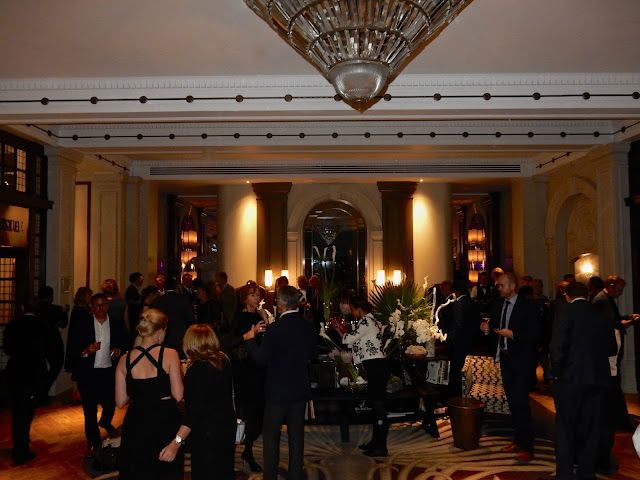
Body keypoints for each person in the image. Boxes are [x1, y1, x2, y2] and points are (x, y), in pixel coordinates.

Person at [246, 285, 317, 480]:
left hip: (277, 391)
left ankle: (270, 476)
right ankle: (295, 475)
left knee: (271, 438)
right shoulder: (308, 326)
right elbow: (312, 354)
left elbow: (262, 359)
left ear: (282, 303)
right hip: (299, 389)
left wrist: (250, 341)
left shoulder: (275, 329)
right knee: (296, 438)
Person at [550, 282, 617, 480]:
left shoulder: (564, 312)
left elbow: (557, 346)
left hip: (570, 379)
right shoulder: (600, 313)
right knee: (591, 428)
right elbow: (611, 348)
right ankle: (587, 473)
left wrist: (557, 372)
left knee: (565, 427)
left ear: (567, 296)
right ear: (587, 297)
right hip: (598, 378)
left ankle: (565, 474)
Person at [159, 324, 237, 479]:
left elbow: (193, 412)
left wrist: (176, 442)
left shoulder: (196, 371)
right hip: (226, 427)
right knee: (224, 471)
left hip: (207, 434)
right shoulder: (223, 360)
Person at [115, 309, 184, 479]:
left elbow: (120, 401)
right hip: (163, 421)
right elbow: (178, 395)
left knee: (136, 470)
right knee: (164, 472)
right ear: (160, 331)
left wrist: (139, 389)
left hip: (135, 422)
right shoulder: (170, 354)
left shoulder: (124, 360)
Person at [480, 272, 540, 461]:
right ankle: (518, 440)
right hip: (505, 360)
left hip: (523, 361)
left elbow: (537, 334)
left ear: (513, 286)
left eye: (502, 285)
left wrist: (514, 335)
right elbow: (495, 330)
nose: (498, 288)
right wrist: (487, 330)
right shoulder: (498, 304)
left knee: (520, 402)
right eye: (498, 285)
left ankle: (527, 446)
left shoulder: (527, 306)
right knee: (513, 402)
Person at [66, 293, 125, 456]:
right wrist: (85, 351)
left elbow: (125, 341)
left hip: (109, 371)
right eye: (97, 305)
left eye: (103, 304)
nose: (101, 308)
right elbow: (73, 348)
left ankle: (105, 421)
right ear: (92, 307)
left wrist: (119, 350)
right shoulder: (83, 324)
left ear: (108, 305)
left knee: (110, 403)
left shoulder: (116, 323)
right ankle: (93, 440)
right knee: (89, 408)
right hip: (88, 372)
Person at [3, 298, 53, 465]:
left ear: (23, 307)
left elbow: (7, 349)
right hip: (33, 374)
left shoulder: (13, 325)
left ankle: (20, 445)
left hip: (15, 372)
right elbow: (48, 350)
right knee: (27, 412)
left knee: (17, 412)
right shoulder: (43, 326)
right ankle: (21, 448)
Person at [342, 296, 391, 457]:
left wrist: (342, 332)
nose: (351, 312)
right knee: (376, 407)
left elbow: (348, 339)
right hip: (375, 367)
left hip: (377, 367)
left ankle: (381, 447)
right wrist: (344, 334)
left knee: (378, 407)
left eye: (352, 309)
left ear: (359, 309)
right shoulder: (368, 321)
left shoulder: (366, 322)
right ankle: (375, 442)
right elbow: (352, 342)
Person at [234, 284, 269, 472]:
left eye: (258, 295)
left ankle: (248, 449)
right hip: (243, 369)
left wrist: (266, 322)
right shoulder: (239, 317)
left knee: (257, 413)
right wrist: (250, 335)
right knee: (244, 411)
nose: (257, 298)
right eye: (253, 295)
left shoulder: (259, 316)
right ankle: (239, 448)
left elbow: (268, 343)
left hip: (258, 369)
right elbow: (233, 342)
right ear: (245, 299)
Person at [35, 285, 70, 400]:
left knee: (40, 366)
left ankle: (38, 390)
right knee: (57, 365)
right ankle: (43, 389)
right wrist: (65, 312)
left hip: (38, 341)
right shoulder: (56, 309)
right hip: (53, 341)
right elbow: (63, 324)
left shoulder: (35, 308)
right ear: (50, 296)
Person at [447, 281, 481, 398]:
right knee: (467, 367)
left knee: (458, 368)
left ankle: (458, 394)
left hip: (459, 341)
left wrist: (451, 338)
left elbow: (458, 323)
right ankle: (466, 391)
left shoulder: (459, 304)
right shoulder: (471, 302)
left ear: (456, 292)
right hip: (470, 340)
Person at [151, 276, 195, 358]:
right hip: (180, 335)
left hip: (163, 336)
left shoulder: (158, 301)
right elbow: (190, 318)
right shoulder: (183, 299)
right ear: (175, 287)